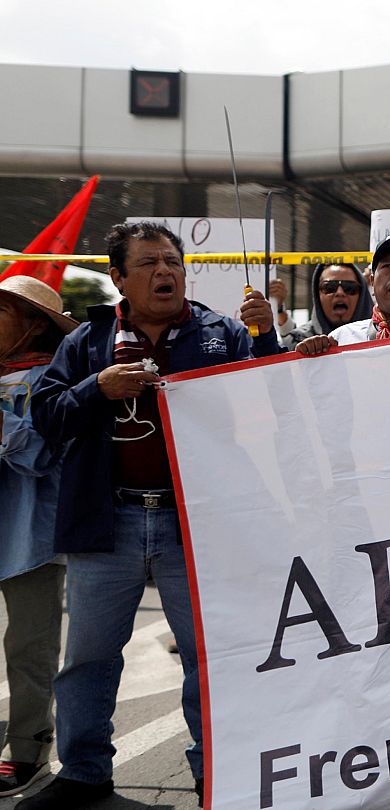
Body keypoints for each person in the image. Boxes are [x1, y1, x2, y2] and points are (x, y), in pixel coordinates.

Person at [23, 221, 280, 809]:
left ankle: (215, 772)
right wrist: (97, 388)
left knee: (207, 657)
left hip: (196, 526)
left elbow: (271, 395)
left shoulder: (222, 332)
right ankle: (83, 772)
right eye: (149, 264)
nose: (166, 272)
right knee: (86, 657)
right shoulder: (86, 343)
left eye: (173, 261)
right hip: (104, 521)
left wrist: (264, 338)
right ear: (118, 278)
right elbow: (46, 416)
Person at [0, 277, 76, 797]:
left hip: (28, 536)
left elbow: (43, 454)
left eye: (3, 310)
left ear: (33, 324)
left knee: (29, 647)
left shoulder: (53, 378)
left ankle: (27, 749)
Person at [282, 262, 373, 349]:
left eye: (349, 288)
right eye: (330, 287)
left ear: (361, 295)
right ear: (317, 295)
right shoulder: (296, 342)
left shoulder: (381, 337)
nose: (340, 293)